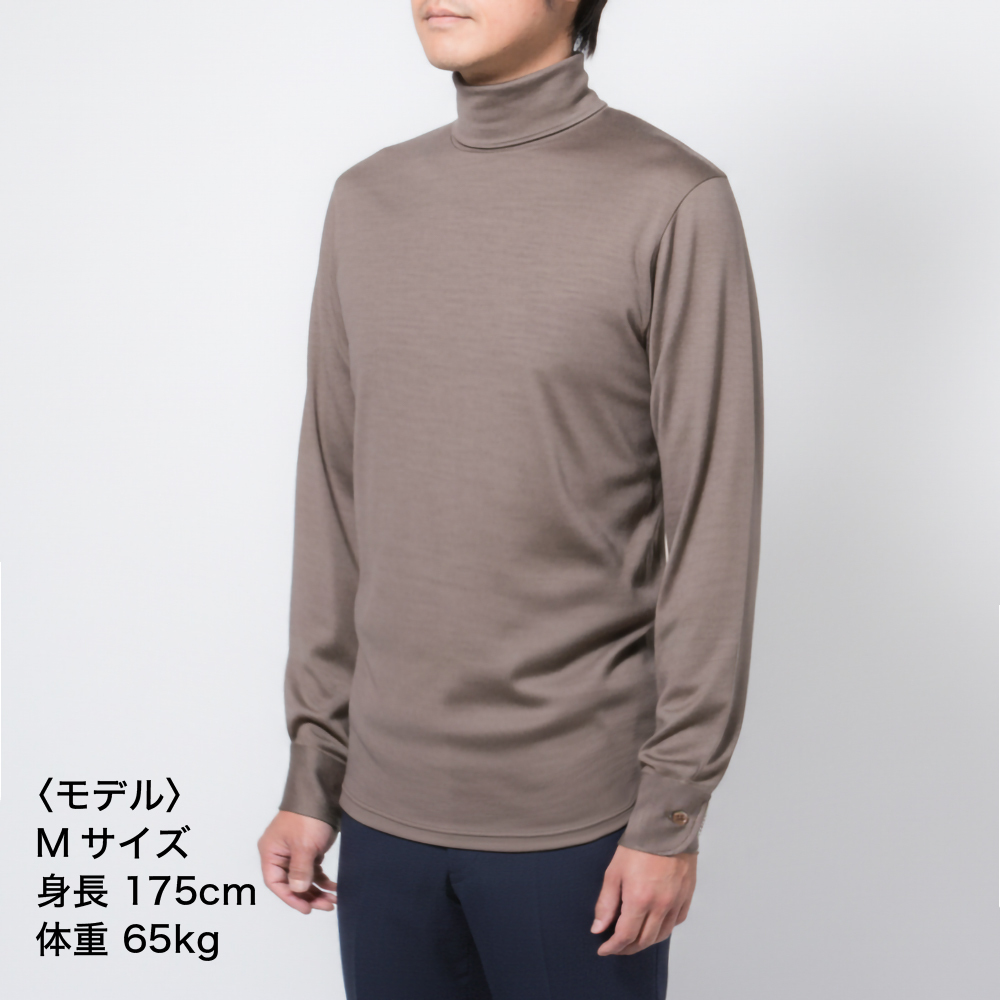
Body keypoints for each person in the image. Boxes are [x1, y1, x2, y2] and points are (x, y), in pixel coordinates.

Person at [258, 1, 763, 997]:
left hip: (579, 828)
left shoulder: (672, 199)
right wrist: (314, 771)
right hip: (383, 815)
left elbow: (713, 521)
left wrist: (671, 811)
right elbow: (333, 493)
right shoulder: (367, 201)